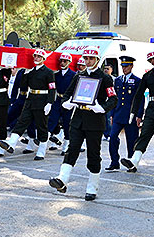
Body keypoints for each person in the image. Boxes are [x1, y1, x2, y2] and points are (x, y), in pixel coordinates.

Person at [49, 46, 118, 201]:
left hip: (95, 121)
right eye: (85, 58)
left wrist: (102, 108)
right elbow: (68, 94)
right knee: (72, 149)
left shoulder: (105, 78)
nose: (88, 61)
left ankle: (92, 188)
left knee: (93, 155)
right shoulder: (79, 76)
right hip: (78, 118)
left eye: (91, 58)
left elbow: (113, 99)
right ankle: (62, 179)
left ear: (97, 60)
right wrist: (67, 103)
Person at [119, 51, 154, 181]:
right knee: (144, 134)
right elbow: (139, 94)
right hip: (152, 109)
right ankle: (134, 160)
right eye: (151, 59)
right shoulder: (147, 76)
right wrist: (133, 112)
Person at [0, 49, 56, 160]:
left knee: (41, 126)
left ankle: (42, 150)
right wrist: (25, 73)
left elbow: (52, 88)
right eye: (35, 56)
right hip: (30, 100)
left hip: (42, 101)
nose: (36, 58)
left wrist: (49, 102)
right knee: (21, 122)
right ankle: (11, 144)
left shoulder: (48, 72)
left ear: (43, 59)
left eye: (39, 57)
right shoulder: (31, 71)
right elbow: (23, 86)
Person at [106, 56, 142, 171]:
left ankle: (131, 162)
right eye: (122, 66)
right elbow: (114, 98)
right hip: (118, 114)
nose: (124, 68)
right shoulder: (118, 80)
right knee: (112, 138)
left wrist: (139, 115)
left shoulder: (137, 81)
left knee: (131, 140)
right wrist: (112, 113)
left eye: (126, 66)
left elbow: (140, 99)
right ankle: (114, 161)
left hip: (130, 115)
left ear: (131, 66)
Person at [47, 52, 76, 154]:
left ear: (69, 62)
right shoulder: (56, 75)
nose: (62, 63)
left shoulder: (73, 75)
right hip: (58, 99)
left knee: (67, 123)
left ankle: (66, 145)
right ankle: (47, 138)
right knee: (52, 119)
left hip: (68, 101)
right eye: (61, 61)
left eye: (65, 61)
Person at [103, 64, 115, 141]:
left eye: (107, 69)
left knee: (109, 119)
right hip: (103, 101)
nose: (106, 70)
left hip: (110, 101)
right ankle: (105, 134)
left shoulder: (114, 79)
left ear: (111, 70)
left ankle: (110, 134)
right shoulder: (102, 78)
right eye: (104, 69)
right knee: (104, 119)